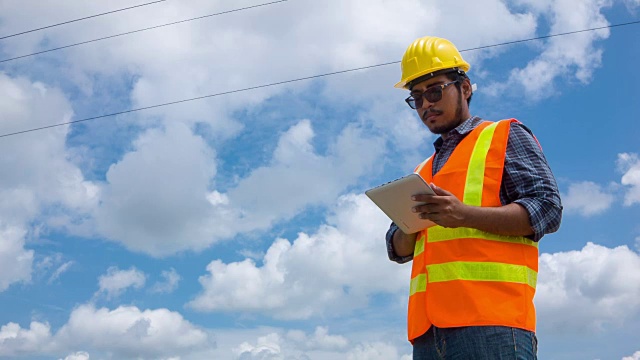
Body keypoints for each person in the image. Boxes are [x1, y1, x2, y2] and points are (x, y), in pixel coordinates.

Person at [385, 36, 562, 359]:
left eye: (435, 91)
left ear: (464, 88)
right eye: (417, 98)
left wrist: (464, 215)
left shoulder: (503, 135)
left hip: (492, 324)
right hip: (427, 332)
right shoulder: (422, 171)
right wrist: (408, 227)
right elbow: (395, 249)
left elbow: (547, 209)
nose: (426, 104)